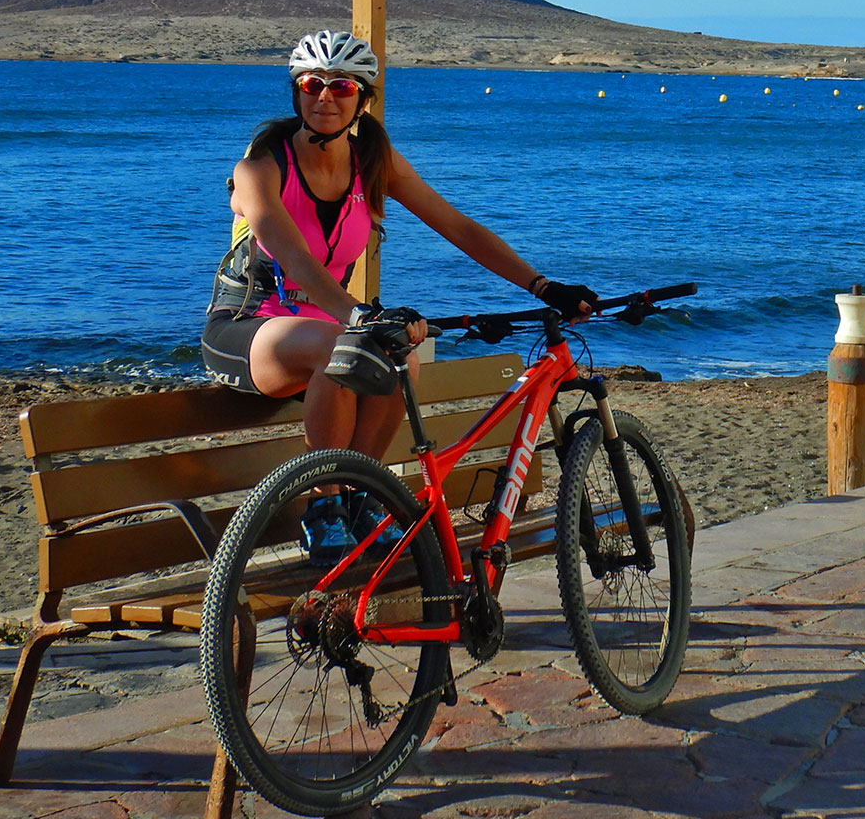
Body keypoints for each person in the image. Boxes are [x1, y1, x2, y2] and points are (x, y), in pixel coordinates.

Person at [201, 30, 596, 561]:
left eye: (341, 86)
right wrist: (361, 315)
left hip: (326, 330)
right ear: (296, 92)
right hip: (247, 325)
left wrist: (543, 285)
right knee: (344, 346)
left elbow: (457, 226)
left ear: (362, 98)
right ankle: (324, 508)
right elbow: (294, 259)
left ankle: (362, 495)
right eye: (312, 84)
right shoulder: (259, 169)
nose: (325, 97)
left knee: (398, 359)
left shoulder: (373, 162)